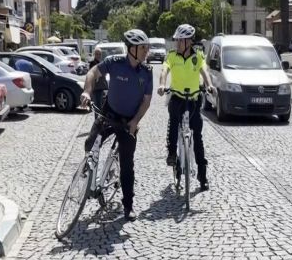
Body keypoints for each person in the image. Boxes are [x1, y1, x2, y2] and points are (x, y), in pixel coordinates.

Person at [81, 29, 152, 222]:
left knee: (127, 165)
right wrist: (87, 92)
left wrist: (135, 122)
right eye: (143, 48)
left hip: (128, 122)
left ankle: (128, 205)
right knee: (90, 143)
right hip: (108, 114)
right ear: (132, 49)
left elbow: (147, 100)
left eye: (147, 48)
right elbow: (93, 72)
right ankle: (89, 178)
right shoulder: (115, 62)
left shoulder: (146, 72)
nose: (147, 51)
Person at [158, 24, 216, 192]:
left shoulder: (198, 56)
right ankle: (171, 153)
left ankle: (202, 177)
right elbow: (164, 70)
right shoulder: (172, 56)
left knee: (197, 138)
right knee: (173, 122)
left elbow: (204, 72)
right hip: (177, 97)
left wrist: (210, 85)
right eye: (176, 40)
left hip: (193, 100)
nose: (177, 43)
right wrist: (162, 85)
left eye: (180, 40)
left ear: (188, 42)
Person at [88, 48, 108, 117]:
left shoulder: (102, 63)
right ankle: (97, 122)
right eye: (97, 54)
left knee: (102, 106)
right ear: (94, 54)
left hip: (102, 87)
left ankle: (100, 121)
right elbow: (92, 75)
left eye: (99, 54)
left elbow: (104, 73)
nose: (98, 55)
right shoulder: (92, 63)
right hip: (96, 88)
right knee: (97, 106)